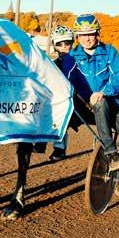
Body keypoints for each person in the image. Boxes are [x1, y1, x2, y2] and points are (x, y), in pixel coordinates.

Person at [69, 13, 119, 202]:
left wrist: (104, 92)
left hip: (110, 103)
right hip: (82, 106)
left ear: (97, 33)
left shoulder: (110, 52)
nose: (87, 38)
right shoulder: (72, 56)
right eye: (82, 35)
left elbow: (118, 77)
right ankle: (110, 151)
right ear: (77, 37)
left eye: (90, 33)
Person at [48, 25, 75, 160]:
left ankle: (59, 148)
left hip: (80, 99)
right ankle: (44, 142)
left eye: (68, 43)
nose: (64, 46)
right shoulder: (52, 64)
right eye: (60, 44)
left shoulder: (79, 61)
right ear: (54, 46)